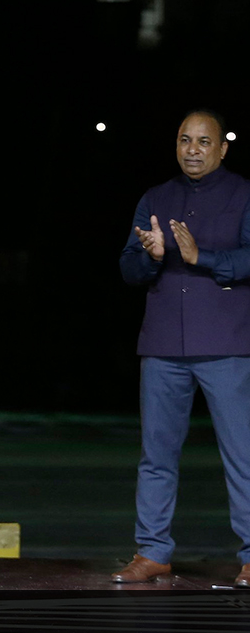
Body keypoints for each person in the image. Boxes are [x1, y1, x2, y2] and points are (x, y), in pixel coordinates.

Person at [115, 109, 250, 588]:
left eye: (203, 141)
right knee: (156, 457)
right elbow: (128, 269)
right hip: (163, 346)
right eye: (184, 140)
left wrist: (201, 257)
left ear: (222, 149)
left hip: (226, 344)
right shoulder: (156, 197)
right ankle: (152, 552)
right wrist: (152, 256)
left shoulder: (243, 194)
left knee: (242, 456)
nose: (193, 149)